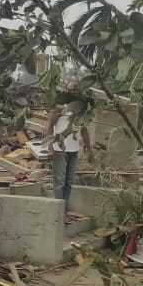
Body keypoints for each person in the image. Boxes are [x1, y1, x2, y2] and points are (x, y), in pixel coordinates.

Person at [45, 81, 92, 222]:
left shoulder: (81, 109)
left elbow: (84, 129)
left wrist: (89, 148)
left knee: (69, 182)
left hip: (74, 149)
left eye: (76, 89)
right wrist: (50, 147)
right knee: (59, 181)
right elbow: (49, 127)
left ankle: (64, 210)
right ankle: (59, 212)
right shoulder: (60, 107)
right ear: (66, 91)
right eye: (70, 90)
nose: (73, 92)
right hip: (60, 149)